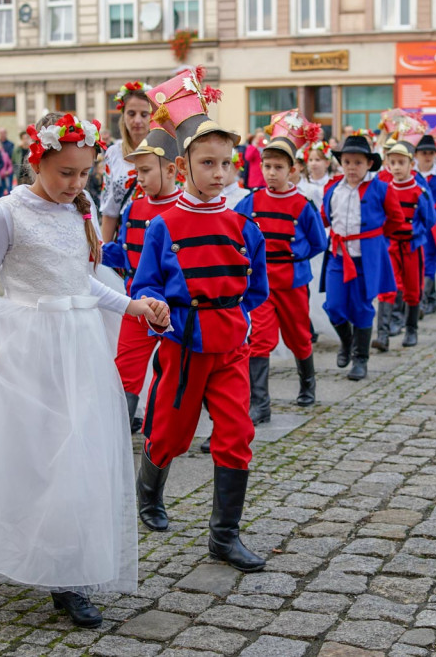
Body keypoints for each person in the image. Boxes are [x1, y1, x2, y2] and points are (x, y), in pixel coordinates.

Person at [0, 112, 168, 628]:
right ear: (38, 161)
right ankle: (28, 545)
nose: (76, 184)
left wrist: (134, 306)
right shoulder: (7, 213)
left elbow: (82, 285)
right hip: (27, 347)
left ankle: (68, 574)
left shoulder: (78, 212)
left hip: (77, 347)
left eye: (84, 175)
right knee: (33, 454)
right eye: (65, 173)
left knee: (77, 450)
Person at [132, 69, 269, 574]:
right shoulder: (163, 226)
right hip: (183, 346)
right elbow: (143, 285)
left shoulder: (242, 225)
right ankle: (148, 494)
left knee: (237, 433)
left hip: (230, 346)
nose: (218, 173)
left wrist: (246, 322)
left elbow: (256, 290)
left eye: (226, 165)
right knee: (169, 433)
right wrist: (154, 305)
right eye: (207, 163)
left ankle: (223, 537)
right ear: (182, 165)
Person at [234, 110, 327, 423]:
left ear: (293, 169)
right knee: (259, 338)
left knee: (298, 335)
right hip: (262, 286)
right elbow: (235, 231)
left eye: (279, 167)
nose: (272, 173)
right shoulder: (251, 201)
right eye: (267, 166)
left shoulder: (302, 205)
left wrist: (294, 256)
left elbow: (318, 242)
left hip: (292, 282)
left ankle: (307, 383)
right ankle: (260, 403)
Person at [100, 123, 182, 435]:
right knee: (127, 369)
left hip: (172, 307)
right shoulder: (133, 207)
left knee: (175, 370)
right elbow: (128, 253)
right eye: (137, 170)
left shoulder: (184, 209)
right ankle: (118, 434)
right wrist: (102, 253)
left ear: (172, 170)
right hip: (136, 304)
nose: (140, 178)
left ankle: (163, 431)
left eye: (146, 170)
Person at [322, 134, 403, 381]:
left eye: (358, 162)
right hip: (337, 256)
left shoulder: (381, 188)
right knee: (334, 306)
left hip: (365, 258)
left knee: (361, 308)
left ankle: (361, 359)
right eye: (347, 162)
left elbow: (396, 219)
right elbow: (325, 218)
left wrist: (375, 240)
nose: (352, 167)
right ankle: (346, 342)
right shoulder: (333, 188)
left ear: (369, 164)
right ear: (340, 163)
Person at [374, 140, 435, 350]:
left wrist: (414, 230)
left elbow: (430, 219)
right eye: (393, 163)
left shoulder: (419, 191)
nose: (397, 167)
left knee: (412, 288)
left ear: (411, 164)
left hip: (411, 247)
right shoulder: (383, 189)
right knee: (387, 288)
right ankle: (382, 334)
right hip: (390, 246)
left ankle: (411, 330)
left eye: (401, 162)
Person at [100, 81, 152, 242]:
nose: (137, 120)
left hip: (159, 238)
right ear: (123, 116)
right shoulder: (113, 153)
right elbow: (109, 211)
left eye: (144, 114)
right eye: (131, 113)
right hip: (126, 240)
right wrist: (104, 253)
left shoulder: (165, 151)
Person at [414, 135, 436, 316]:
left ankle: (424, 299)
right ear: (416, 154)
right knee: (419, 259)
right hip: (418, 221)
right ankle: (430, 296)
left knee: (431, 258)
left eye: (430, 153)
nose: (427, 156)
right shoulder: (412, 175)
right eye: (423, 153)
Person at [0, 127, 15, 196]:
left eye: (3, 133)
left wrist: (8, 170)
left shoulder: (11, 144)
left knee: (8, 189)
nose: (2, 134)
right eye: (1, 133)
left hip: (7, 170)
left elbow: (12, 158)